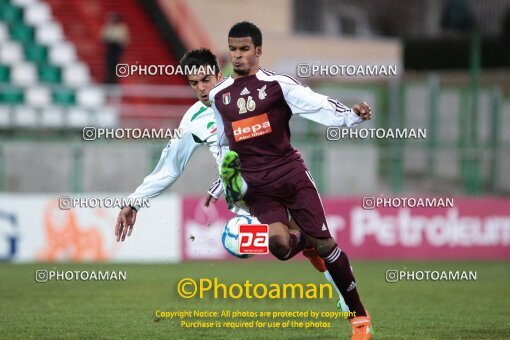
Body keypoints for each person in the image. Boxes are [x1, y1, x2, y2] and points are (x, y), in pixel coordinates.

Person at [112, 50, 349, 312]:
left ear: (218, 74)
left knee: (311, 241)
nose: (201, 89)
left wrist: (345, 116)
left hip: (282, 174)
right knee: (278, 242)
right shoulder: (192, 120)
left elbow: (296, 108)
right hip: (249, 194)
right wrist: (133, 203)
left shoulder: (248, 94)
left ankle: (347, 300)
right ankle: (314, 251)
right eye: (194, 83)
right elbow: (168, 168)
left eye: (205, 80)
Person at [209, 22, 373, 339]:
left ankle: (359, 320)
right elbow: (221, 144)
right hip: (257, 185)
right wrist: (225, 183)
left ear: (258, 51)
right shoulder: (218, 96)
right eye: (233, 49)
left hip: (290, 174)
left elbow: (317, 103)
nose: (238, 55)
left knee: (327, 245)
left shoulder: (277, 85)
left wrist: (350, 116)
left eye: (244, 49)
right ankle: (305, 240)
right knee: (280, 247)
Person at [101, 12, 130, 83]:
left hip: (117, 49)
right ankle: (108, 79)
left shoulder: (122, 27)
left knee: (115, 65)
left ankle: (114, 80)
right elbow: (104, 37)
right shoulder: (109, 26)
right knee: (109, 65)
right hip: (110, 48)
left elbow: (124, 39)